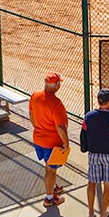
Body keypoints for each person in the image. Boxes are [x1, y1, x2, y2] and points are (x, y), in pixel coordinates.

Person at [80, 88, 109, 217]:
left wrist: (85, 148)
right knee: (108, 185)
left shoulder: (89, 116)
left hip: (94, 155)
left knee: (92, 183)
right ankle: (103, 215)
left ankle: (91, 214)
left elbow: (83, 135)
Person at [29, 73, 69, 208]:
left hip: (38, 139)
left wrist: (39, 128)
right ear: (56, 85)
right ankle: (49, 198)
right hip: (52, 143)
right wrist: (66, 143)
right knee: (50, 170)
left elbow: (32, 116)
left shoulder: (35, 95)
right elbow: (60, 126)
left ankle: (53, 187)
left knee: (49, 166)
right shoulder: (56, 103)